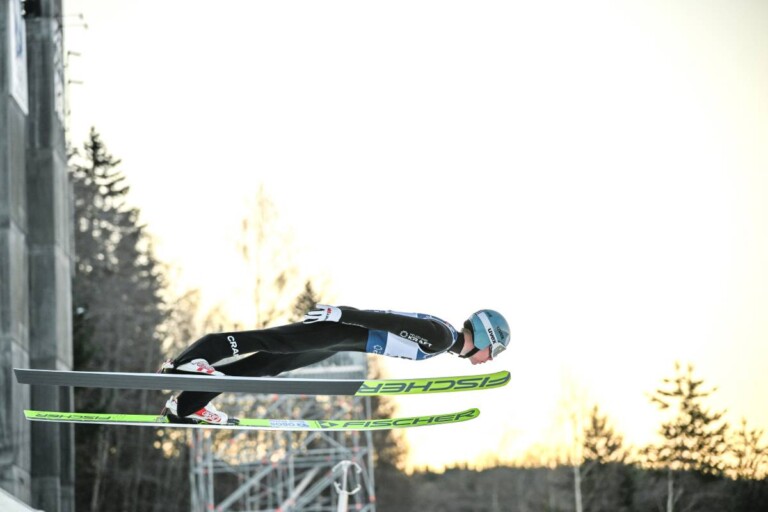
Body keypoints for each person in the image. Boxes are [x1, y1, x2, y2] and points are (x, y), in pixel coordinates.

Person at [160, 305, 510, 425]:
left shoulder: (443, 337)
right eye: (491, 351)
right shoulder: (441, 337)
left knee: (264, 365)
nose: (487, 360)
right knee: (267, 341)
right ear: (482, 336)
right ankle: (187, 363)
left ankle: (188, 404)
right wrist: (342, 314)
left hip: (339, 342)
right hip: (339, 331)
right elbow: (384, 320)